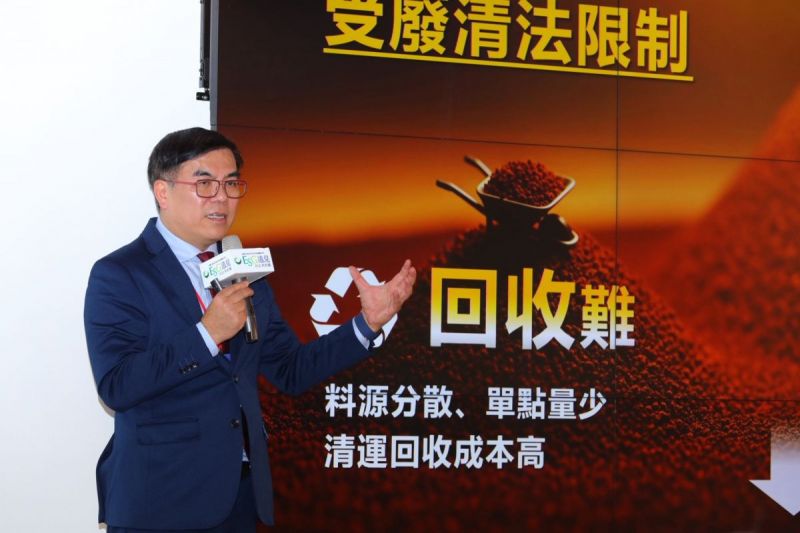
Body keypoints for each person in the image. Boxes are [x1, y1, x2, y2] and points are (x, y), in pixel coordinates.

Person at [84, 127, 416, 532]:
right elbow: (117, 386)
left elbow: (291, 370)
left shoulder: (243, 270)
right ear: (163, 192)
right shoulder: (121, 274)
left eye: (231, 183)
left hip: (239, 497)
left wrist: (367, 324)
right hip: (161, 501)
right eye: (204, 183)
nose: (221, 197)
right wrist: (207, 334)